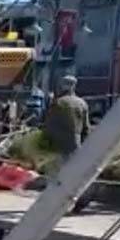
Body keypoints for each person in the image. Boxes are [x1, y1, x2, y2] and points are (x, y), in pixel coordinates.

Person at [43, 75, 91, 212]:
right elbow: (86, 128)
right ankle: (80, 199)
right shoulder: (82, 103)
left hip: (58, 145)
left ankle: (53, 203)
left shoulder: (58, 103)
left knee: (55, 176)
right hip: (76, 145)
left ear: (63, 86)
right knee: (75, 175)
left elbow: (49, 126)